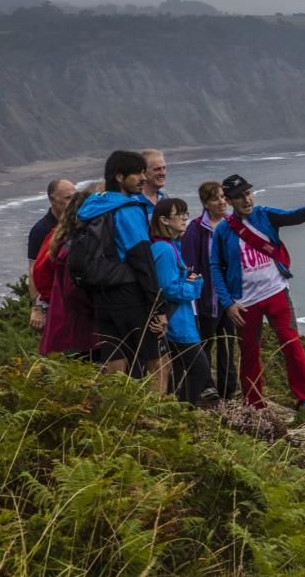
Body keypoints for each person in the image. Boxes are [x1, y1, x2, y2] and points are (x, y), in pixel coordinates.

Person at [209, 173, 305, 410]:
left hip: (276, 292)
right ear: (229, 200)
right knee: (249, 353)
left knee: (291, 343)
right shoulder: (224, 230)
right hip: (245, 302)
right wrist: (228, 303)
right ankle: (253, 403)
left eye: (247, 193)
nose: (246, 200)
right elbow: (215, 267)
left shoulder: (265, 215)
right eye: (238, 197)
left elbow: (292, 217)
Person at [77, 150, 169, 392]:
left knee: (114, 361)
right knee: (158, 362)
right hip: (130, 294)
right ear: (120, 177)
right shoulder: (128, 209)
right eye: (137, 173)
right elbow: (142, 260)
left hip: (101, 294)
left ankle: (115, 415)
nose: (143, 178)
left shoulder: (94, 205)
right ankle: (157, 421)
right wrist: (158, 307)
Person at [150, 198, 218, 404]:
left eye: (185, 214)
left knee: (179, 371)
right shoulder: (164, 249)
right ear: (164, 220)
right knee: (199, 369)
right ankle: (183, 411)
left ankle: (177, 412)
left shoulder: (170, 246)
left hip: (179, 321)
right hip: (177, 324)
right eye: (179, 215)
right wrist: (195, 285)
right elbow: (168, 288)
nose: (184, 219)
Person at [181, 181, 238, 399]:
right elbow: (189, 265)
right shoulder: (196, 229)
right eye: (215, 198)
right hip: (207, 298)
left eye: (223, 197)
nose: (222, 202)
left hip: (230, 297)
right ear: (205, 203)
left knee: (228, 342)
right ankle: (206, 385)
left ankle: (228, 387)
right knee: (206, 342)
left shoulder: (233, 224)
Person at [35, 184, 102, 360]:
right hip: (79, 328)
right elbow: (72, 289)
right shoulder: (77, 242)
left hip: (63, 320)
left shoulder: (61, 235)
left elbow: (40, 273)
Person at [28, 178, 75, 330]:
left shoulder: (78, 223)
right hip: (54, 301)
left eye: (75, 197)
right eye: (68, 198)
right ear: (53, 200)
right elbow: (33, 269)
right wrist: (37, 308)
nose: (73, 202)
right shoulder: (41, 230)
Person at [134, 149, 168, 219]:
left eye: (164, 168)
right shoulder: (134, 201)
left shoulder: (164, 197)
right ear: (143, 172)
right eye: (157, 169)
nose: (163, 173)